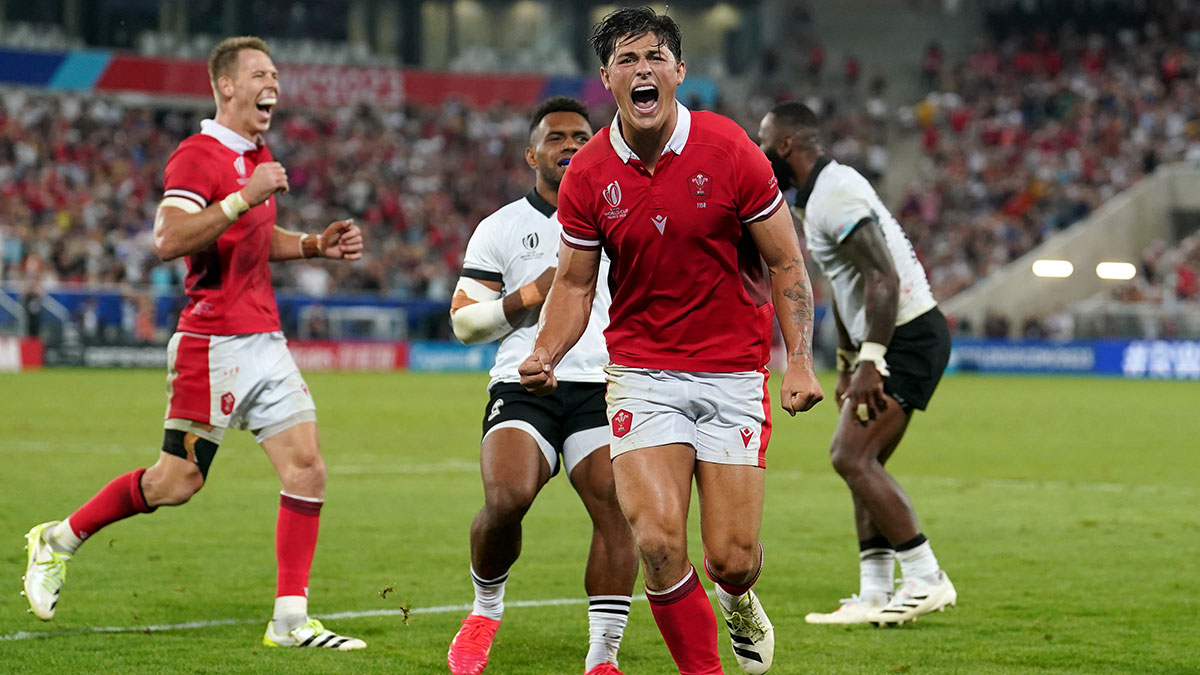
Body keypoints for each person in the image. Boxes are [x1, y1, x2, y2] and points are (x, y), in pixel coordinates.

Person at [21, 36, 367, 650]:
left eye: (277, 73)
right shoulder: (198, 156)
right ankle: (57, 539)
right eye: (260, 73)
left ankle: (290, 621)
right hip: (214, 344)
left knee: (307, 468)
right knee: (177, 482)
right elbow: (169, 236)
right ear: (226, 85)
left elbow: (254, 237)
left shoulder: (257, 153)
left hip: (265, 338)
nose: (274, 84)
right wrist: (243, 195)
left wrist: (315, 245)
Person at [520, 9, 824, 674]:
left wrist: (798, 359)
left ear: (679, 71)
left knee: (731, 557)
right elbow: (574, 286)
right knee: (657, 541)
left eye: (655, 56)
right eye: (627, 60)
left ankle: (739, 595)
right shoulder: (589, 172)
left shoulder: (731, 149)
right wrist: (546, 350)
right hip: (641, 372)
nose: (643, 69)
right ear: (607, 78)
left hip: (733, 372)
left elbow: (786, 262)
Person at [446, 97, 637, 675]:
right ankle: (484, 612)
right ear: (532, 153)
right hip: (525, 381)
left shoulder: (623, 215)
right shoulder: (502, 226)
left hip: (604, 384)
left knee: (615, 509)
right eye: (556, 138)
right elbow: (463, 323)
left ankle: (602, 657)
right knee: (506, 499)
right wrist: (531, 294)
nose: (571, 145)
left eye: (581, 135)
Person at [757, 101, 956, 626]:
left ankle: (926, 576)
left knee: (851, 456)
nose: (759, 153)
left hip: (906, 335)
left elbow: (882, 278)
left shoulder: (837, 192)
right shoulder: (817, 196)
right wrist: (848, 360)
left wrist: (871, 358)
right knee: (864, 461)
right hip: (892, 337)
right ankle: (874, 592)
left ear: (786, 146)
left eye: (763, 142)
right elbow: (848, 290)